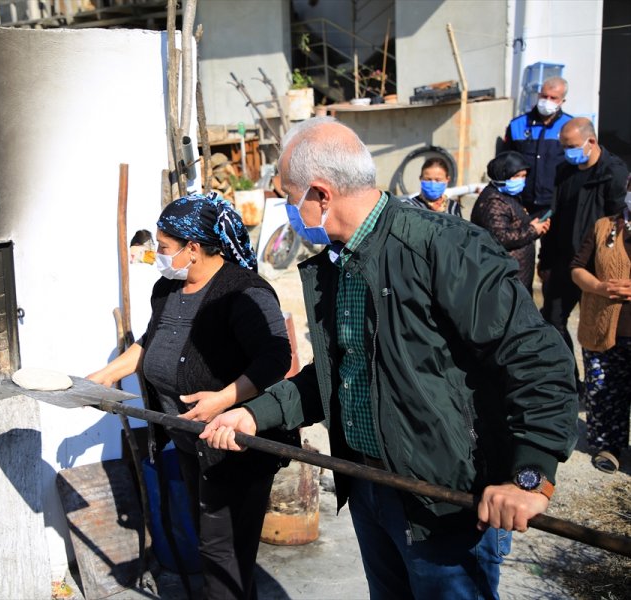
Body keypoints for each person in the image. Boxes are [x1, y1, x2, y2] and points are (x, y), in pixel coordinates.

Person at [200, 117, 578, 599]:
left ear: (320, 194)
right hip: (369, 488)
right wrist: (254, 415)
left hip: (444, 503)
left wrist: (531, 475)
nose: (285, 209)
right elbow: (338, 374)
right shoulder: (339, 264)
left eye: (287, 195)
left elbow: (538, 358)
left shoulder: (444, 246)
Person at [87, 192, 293, 600]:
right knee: (216, 552)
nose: (159, 257)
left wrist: (224, 397)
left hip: (235, 447)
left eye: (164, 249)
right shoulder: (167, 290)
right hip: (190, 445)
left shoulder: (242, 291)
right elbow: (152, 342)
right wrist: (105, 375)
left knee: (222, 559)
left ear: (193, 249)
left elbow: (276, 356)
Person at [539, 117, 629, 360]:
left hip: (596, 267)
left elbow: (619, 225)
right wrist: (545, 260)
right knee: (551, 322)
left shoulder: (613, 174)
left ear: (591, 141)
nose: (566, 152)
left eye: (571, 146)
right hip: (564, 263)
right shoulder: (564, 171)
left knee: (597, 326)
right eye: (563, 146)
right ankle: (568, 382)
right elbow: (555, 218)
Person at [570, 176, 631, 474]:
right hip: (604, 327)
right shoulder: (604, 226)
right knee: (605, 391)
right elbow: (577, 268)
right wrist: (597, 287)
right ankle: (608, 446)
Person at [470, 151, 550, 291]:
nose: (521, 180)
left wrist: (535, 227)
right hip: (504, 279)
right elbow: (500, 237)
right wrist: (532, 230)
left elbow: (515, 225)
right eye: (516, 176)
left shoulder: (509, 196)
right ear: (502, 175)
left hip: (518, 277)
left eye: (524, 176)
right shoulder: (493, 201)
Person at [503, 76, 572, 215]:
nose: (547, 101)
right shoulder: (517, 125)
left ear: (562, 101)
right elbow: (505, 163)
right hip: (522, 202)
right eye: (544, 96)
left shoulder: (570, 127)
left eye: (554, 98)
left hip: (557, 203)